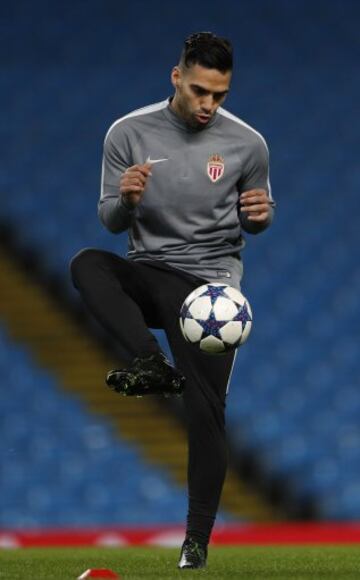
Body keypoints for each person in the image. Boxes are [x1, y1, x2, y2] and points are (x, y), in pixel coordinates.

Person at [70, 31, 275, 569]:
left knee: (207, 414)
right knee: (87, 264)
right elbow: (110, 217)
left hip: (212, 292)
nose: (209, 104)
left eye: (220, 95)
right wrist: (127, 199)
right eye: (201, 91)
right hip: (152, 275)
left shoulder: (248, 145)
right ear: (177, 77)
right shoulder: (128, 133)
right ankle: (148, 361)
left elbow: (258, 217)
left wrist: (260, 216)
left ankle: (196, 543)